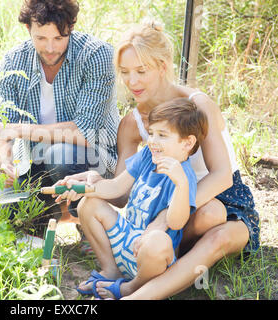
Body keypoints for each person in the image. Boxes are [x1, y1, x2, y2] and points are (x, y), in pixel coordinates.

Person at [57, 19, 260, 299]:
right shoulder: (132, 124)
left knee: (212, 217)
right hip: (162, 209)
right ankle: (153, 259)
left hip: (218, 200)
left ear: (163, 66)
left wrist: (164, 218)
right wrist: (94, 182)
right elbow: (122, 194)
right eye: (125, 72)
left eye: (142, 71)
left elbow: (222, 176)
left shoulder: (198, 107)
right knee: (160, 226)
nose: (132, 81)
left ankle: (137, 294)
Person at [0, 0, 119, 222]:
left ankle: (89, 223)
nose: (50, 48)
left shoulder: (96, 55)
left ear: (71, 28)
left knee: (61, 155)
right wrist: (4, 161)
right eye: (41, 38)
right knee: (6, 206)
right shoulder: (14, 60)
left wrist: (16, 130)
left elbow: (86, 132)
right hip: (36, 160)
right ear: (28, 29)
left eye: (59, 38)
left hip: (93, 161)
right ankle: (46, 225)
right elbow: (1, 125)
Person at [68, 98, 208, 299]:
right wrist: (84, 189)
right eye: (151, 133)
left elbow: (176, 222)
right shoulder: (147, 156)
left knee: (158, 241)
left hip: (151, 259)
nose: (152, 141)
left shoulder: (184, 177)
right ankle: (111, 270)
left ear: (187, 143)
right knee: (89, 204)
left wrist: (181, 184)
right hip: (128, 239)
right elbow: (116, 187)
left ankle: (133, 287)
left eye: (162, 135)